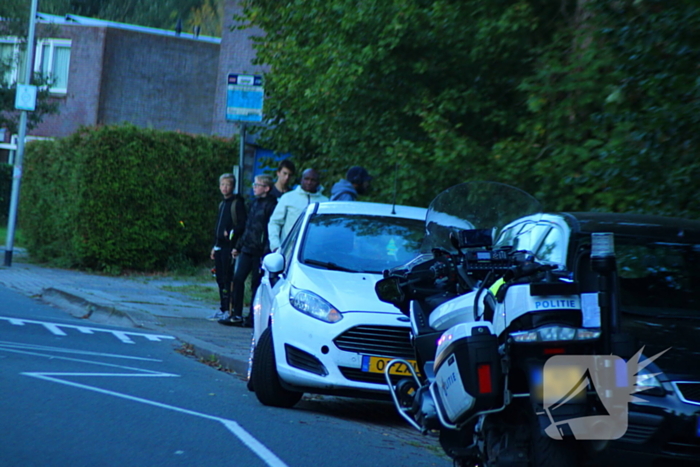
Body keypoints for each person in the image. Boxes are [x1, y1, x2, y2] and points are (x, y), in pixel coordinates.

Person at [219, 174, 278, 327]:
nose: (254, 188)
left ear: (266, 188)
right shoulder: (253, 204)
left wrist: (266, 252)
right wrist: (238, 246)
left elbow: (269, 231)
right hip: (247, 248)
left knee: (256, 284)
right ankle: (236, 314)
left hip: (260, 251)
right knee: (238, 279)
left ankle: (253, 317)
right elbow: (248, 227)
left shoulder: (272, 205)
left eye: (257, 185)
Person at [208, 173, 247, 321]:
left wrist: (231, 232)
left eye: (228, 185)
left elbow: (243, 224)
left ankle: (229, 309)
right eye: (222, 184)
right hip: (219, 246)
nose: (225, 188)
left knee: (227, 278)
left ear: (233, 186)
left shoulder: (237, 203)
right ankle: (222, 307)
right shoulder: (222, 204)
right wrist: (215, 245)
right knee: (219, 279)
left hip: (229, 247)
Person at [268, 168, 328, 251]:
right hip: (288, 251)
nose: (309, 182)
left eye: (313, 180)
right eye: (306, 179)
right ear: (301, 180)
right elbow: (274, 223)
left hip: (314, 252)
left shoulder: (325, 202)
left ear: (318, 182)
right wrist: (275, 246)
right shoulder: (288, 198)